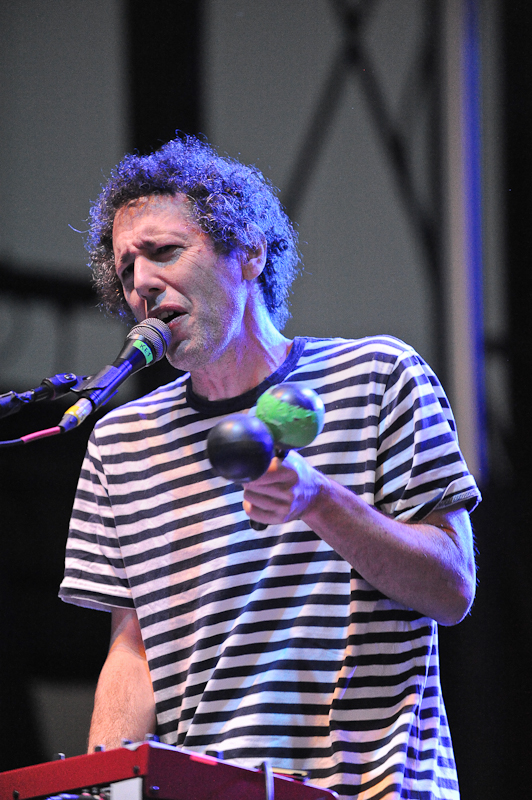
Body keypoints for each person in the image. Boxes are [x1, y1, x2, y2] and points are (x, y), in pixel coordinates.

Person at [59, 134, 480, 800]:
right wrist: (103, 787)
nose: (141, 283)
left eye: (166, 251)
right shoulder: (121, 441)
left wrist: (316, 499)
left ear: (250, 251)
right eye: (126, 266)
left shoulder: (379, 376)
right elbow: (133, 653)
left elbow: (452, 589)